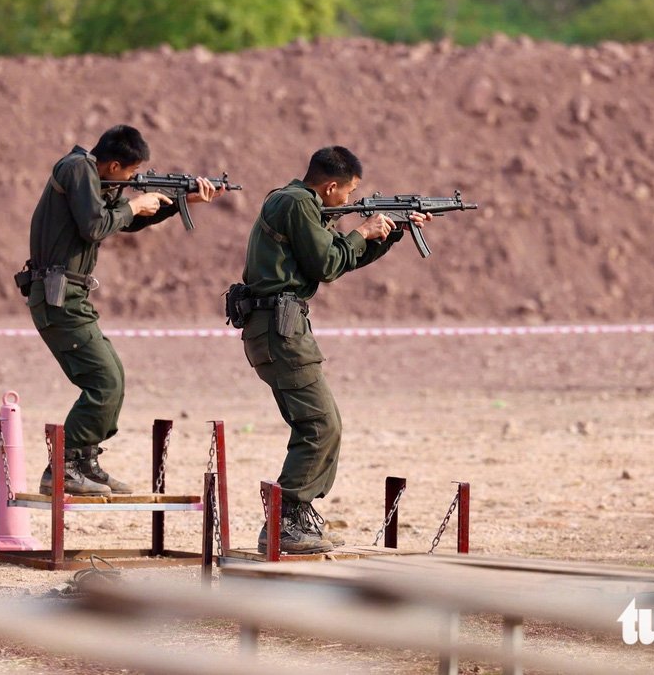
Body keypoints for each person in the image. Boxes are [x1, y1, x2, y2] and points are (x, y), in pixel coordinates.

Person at [234, 146, 431, 553]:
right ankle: (285, 523)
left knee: (321, 423)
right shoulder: (297, 203)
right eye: (348, 192)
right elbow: (327, 264)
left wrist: (387, 235)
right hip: (279, 329)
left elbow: (338, 261)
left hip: (277, 326)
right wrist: (362, 231)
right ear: (331, 186)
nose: (349, 201)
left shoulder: (296, 202)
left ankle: (294, 516)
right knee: (321, 425)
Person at [27, 124, 222, 496]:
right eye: (131, 173)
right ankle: (64, 467)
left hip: (71, 297)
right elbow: (96, 226)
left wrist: (178, 201)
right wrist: (134, 203)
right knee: (104, 381)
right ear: (114, 165)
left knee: (112, 375)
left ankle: (84, 462)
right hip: (58, 297)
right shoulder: (77, 168)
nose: (133, 180)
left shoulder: (94, 178)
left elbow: (124, 220)